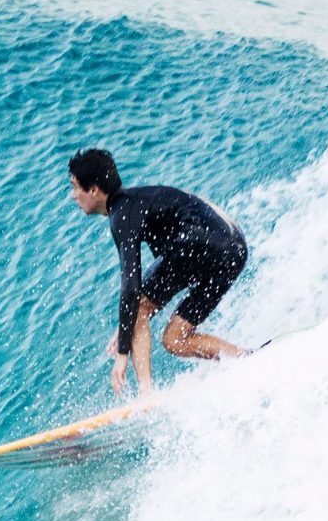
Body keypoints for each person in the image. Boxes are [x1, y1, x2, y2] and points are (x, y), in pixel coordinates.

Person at [67, 147, 248, 396]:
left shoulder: (122, 215)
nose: (72, 195)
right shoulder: (138, 202)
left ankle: (146, 394)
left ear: (94, 190)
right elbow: (154, 275)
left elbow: (131, 287)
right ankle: (246, 359)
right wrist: (125, 326)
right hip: (233, 251)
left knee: (137, 309)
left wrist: (122, 355)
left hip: (204, 246)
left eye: (76, 187)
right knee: (175, 340)